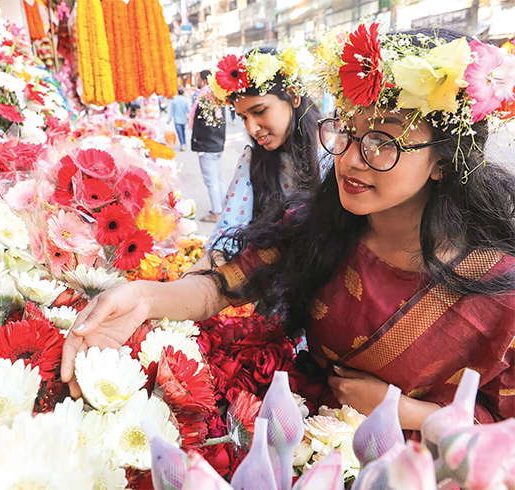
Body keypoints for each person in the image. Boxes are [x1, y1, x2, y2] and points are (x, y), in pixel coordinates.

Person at [62, 25, 515, 429]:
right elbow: (220, 287)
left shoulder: (498, 286)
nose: (352, 159)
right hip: (302, 439)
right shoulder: (319, 225)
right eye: (347, 132)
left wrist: (406, 412)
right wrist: (141, 298)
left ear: (443, 160)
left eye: (383, 141)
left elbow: (502, 429)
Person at [201, 47, 329, 249]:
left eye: (260, 111)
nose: (251, 128)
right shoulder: (252, 160)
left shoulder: (333, 154)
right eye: (243, 117)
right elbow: (227, 232)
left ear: (293, 96)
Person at [190, 69, 227, 223]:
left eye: (198, 78)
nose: (197, 81)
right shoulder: (218, 95)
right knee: (217, 179)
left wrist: (198, 141)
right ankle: (223, 207)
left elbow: (201, 124)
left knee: (211, 181)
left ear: (204, 80)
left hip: (207, 146)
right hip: (217, 144)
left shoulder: (204, 96)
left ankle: (217, 213)